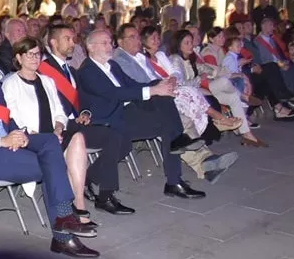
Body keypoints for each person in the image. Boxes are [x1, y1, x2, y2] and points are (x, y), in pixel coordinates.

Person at [0, 35, 99, 257]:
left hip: (7, 144)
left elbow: (6, 119)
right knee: (51, 163)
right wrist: (1, 141)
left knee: (51, 141)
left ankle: (64, 222)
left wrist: (20, 133)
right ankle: (64, 232)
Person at [76, 29, 207, 199]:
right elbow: (116, 94)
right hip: (108, 120)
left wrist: (159, 85)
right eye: (105, 43)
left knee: (164, 107)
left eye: (111, 42)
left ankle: (174, 180)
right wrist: (153, 90)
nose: (110, 46)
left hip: (126, 113)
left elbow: (132, 85)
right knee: (165, 122)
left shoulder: (112, 65)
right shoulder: (87, 71)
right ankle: (87, 178)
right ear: (91, 47)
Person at [115, 25, 240, 181]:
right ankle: (206, 157)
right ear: (120, 41)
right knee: (177, 118)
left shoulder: (138, 56)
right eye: (131, 37)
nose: (137, 40)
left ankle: (206, 162)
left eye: (137, 36)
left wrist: (166, 83)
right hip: (139, 105)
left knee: (181, 116)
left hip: (156, 96)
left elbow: (160, 74)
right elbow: (138, 84)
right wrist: (161, 85)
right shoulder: (120, 59)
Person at [3, 36, 102, 224]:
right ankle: (66, 212)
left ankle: (79, 205)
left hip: (52, 136)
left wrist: (58, 128)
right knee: (58, 147)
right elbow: (13, 117)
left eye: (38, 54)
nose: (35, 58)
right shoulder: (11, 84)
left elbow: (60, 111)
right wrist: (37, 135)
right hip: (30, 139)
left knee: (78, 138)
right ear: (19, 57)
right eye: (29, 54)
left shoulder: (47, 81)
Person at [36, 25, 133, 214]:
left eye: (73, 39)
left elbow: (82, 101)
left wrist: (86, 112)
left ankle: (88, 179)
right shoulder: (44, 70)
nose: (73, 43)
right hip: (59, 127)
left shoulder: (71, 70)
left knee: (122, 139)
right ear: (53, 43)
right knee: (113, 137)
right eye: (68, 39)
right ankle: (105, 196)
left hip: (77, 123)